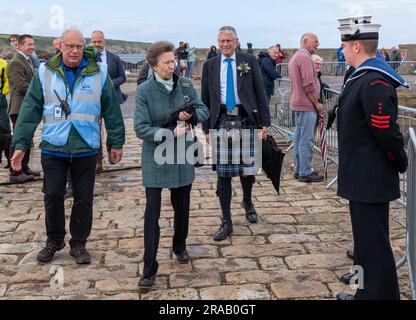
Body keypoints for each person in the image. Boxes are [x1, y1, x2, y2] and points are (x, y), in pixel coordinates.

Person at [10, 28, 125, 265]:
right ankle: (54, 239)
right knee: (52, 195)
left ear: (84, 48)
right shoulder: (44, 72)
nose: (74, 51)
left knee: (83, 198)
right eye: (70, 46)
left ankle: (79, 243)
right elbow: (30, 110)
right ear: (60, 46)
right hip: (54, 146)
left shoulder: (98, 72)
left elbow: (111, 109)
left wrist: (116, 141)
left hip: (85, 145)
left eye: (79, 46)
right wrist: (20, 145)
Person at [335, 16, 408, 300]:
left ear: (355, 46)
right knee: (364, 244)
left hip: (370, 177)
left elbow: (385, 132)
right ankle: (363, 293)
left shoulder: (374, 81)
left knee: (375, 246)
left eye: (343, 44)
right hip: (361, 177)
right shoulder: (360, 77)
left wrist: (399, 160)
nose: (341, 49)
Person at [134, 41, 208, 288]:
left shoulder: (186, 84)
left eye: (173, 61)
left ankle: (180, 245)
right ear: (154, 65)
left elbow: (203, 109)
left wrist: (192, 115)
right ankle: (149, 268)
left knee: (183, 209)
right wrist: (169, 134)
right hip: (155, 157)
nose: (171, 65)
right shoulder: (144, 91)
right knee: (151, 214)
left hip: (182, 157)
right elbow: (140, 128)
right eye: (166, 62)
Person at [201, 26, 271, 241]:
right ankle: (226, 220)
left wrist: (265, 123)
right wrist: (206, 127)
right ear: (217, 42)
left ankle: (247, 201)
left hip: (247, 119)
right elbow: (204, 98)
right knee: (224, 172)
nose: (225, 44)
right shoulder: (210, 65)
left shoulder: (248, 61)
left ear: (237, 41)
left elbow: (260, 91)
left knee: (248, 169)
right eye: (221, 41)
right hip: (222, 120)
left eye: (229, 40)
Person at [288, 33, 324, 183]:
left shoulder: (296, 56)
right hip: (305, 105)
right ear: (305, 41)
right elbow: (308, 84)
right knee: (306, 139)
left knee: (299, 138)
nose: (318, 44)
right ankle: (305, 171)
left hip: (298, 103)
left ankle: (299, 169)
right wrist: (317, 103)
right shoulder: (304, 57)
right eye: (315, 41)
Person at [91, 30, 128, 172]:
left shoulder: (114, 58)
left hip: (112, 98)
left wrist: (109, 84)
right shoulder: (88, 59)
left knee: (111, 126)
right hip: (93, 100)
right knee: (96, 130)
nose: (97, 44)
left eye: (99, 41)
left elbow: (122, 77)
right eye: (94, 42)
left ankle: (111, 152)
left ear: (104, 41)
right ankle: (97, 161)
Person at [7, 34, 39, 182]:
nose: (32, 47)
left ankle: (24, 167)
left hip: (27, 107)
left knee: (27, 138)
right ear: (19, 46)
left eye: (33, 44)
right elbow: (22, 87)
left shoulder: (27, 60)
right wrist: (40, 95)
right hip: (19, 108)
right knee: (19, 139)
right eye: (29, 44)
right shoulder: (15, 62)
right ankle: (15, 173)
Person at [0, 58, 11, 169]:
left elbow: (7, 79)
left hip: (0, 97)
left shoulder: (3, 63)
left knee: (3, 125)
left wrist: (3, 93)